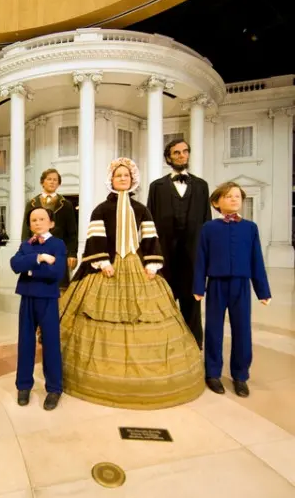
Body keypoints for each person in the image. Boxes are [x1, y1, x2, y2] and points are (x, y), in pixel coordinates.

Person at [59, 157, 204, 410]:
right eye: (118, 176)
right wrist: (102, 261)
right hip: (108, 265)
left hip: (135, 263)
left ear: (133, 179)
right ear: (111, 180)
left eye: (126, 175)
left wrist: (151, 262)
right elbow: (96, 236)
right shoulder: (100, 209)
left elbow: (149, 235)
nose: (123, 179)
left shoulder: (141, 209)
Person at [193, 182, 271, 398]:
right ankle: (213, 373)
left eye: (237, 196)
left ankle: (240, 375)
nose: (234, 199)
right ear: (217, 202)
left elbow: (257, 260)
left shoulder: (250, 228)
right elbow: (201, 259)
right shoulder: (209, 228)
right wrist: (199, 286)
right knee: (213, 330)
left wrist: (262, 291)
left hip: (241, 286)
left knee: (242, 330)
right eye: (228, 196)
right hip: (216, 285)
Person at [147, 139, 211, 349]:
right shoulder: (156, 187)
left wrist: (206, 256)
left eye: (185, 152)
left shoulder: (201, 186)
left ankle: (193, 347)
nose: (182, 155)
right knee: (163, 302)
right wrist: (150, 256)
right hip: (164, 255)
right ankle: (163, 346)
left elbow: (206, 222)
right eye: (177, 152)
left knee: (192, 302)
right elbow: (149, 224)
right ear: (169, 157)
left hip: (193, 255)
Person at [11, 207, 67, 410]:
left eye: (42, 218)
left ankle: (54, 388)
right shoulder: (26, 244)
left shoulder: (58, 244)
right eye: (33, 219)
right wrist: (40, 258)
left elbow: (56, 272)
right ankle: (23, 385)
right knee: (25, 342)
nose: (37, 222)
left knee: (51, 342)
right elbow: (15, 264)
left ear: (51, 223)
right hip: (27, 297)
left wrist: (30, 271)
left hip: (48, 298)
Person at [21, 168, 78, 289]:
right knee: (36, 286)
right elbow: (26, 229)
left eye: (55, 180)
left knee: (59, 288)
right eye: (49, 179)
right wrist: (25, 251)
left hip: (58, 251)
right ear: (42, 182)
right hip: (36, 249)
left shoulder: (66, 204)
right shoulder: (31, 203)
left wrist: (72, 253)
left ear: (58, 183)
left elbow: (72, 232)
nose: (52, 182)